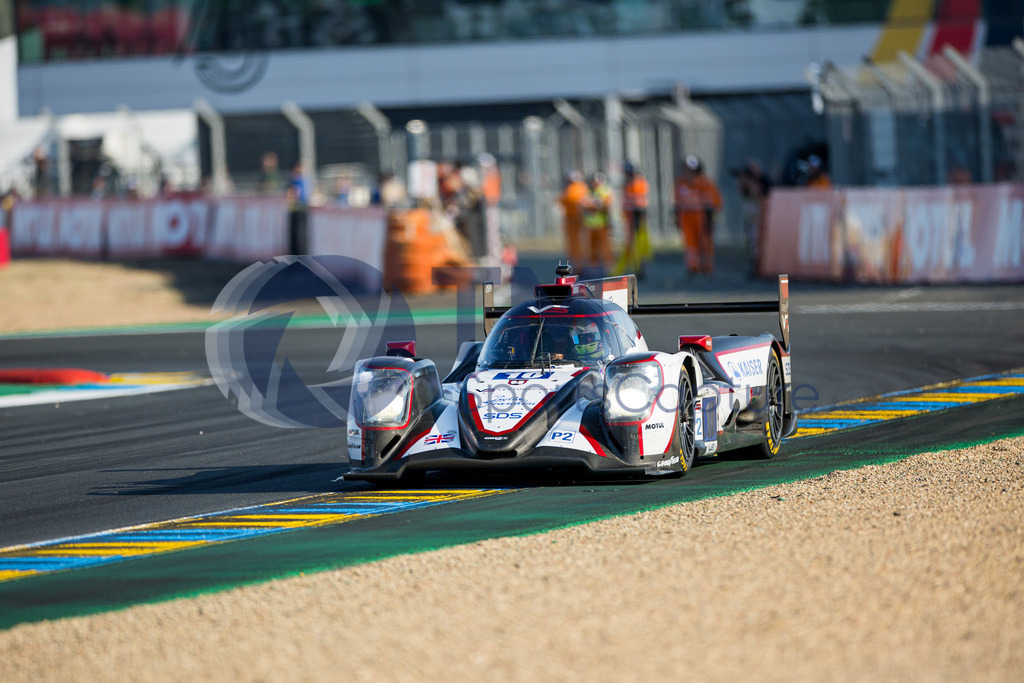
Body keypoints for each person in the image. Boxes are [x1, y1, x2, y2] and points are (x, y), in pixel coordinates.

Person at [675, 155, 722, 276]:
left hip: (702, 216)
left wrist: (710, 218)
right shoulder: (681, 183)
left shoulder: (705, 183)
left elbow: (713, 202)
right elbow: (678, 202)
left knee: (704, 242)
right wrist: (676, 217)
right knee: (690, 243)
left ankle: (706, 267)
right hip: (686, 216)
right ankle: (693, 267)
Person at [614, 162, 651, 278]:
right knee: (631, 245)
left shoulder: (637, 183)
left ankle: (639, 268)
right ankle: (636, 268)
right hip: (630, 218)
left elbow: (638, 202)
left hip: (637, 217)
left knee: (638, 245)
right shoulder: (629, 183)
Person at [734, 160, 771, 275]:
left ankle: (759, 267)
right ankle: (755, 266)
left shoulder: (762, 181)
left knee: (757, 243)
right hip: (750, 218)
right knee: (751, 243)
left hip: (759, 218)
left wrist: (751, 182)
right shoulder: (746, 184)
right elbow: (742, 192)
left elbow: (759, 193)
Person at [582, 172, 613, 270]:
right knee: (592, 249)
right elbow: (584, 204)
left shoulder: (604, 191)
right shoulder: (591, 192)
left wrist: (593, 205)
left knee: (604, 247)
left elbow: (604, 206)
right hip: (591, 225)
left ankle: (608, 267)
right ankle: (593, 268)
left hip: (601, 224)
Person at [559, 170, 588, 266]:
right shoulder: (582, 187)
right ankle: (580, 261)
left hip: (574, 217)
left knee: (576, 241)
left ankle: (578, 262)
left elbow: (565, 199)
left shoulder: (573, 189)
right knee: (578, 241)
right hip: (577, 217)